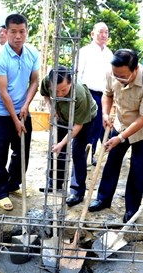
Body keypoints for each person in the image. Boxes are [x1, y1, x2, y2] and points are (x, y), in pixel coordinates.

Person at [88, 49, 143, 223]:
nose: (118, 79)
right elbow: (107, 94)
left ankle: (131, 210)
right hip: (121, 123)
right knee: (112, 161)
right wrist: (105, 114)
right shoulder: (112, 73)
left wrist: (121, 138)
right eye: (116, 75)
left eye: (123, 76)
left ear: (135, 69)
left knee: (138, 169)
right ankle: (103, 199)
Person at [0, 13, 40, 211]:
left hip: (22, 110)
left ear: (27, 32)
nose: (18, 36)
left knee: (22, 150)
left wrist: (26, 105)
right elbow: (3, 92)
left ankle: (13, 184)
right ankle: (1, 192)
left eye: (21, 31)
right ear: (6, 32)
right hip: (2, 112)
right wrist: (15, 118)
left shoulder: (32, 53)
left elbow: (35, 80)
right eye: (13, 32)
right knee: (0, 152)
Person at [39, 66, 98, 207]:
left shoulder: (79, 94)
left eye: (64, 90)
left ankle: (77, 192)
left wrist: (63, 143)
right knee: (56, 149)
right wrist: (51, 107)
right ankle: (55, 182)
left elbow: (77, 125)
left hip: (85, 120)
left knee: (77, 152)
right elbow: (45, 95)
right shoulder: (48, 80)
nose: (59, 94)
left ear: (71, 83)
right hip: (61, 116)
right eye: (56, 91)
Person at [77, 22, 113, 166]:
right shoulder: (84, 51)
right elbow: (78, 75)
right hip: (86, 94)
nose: (103, 35)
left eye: (106, 32)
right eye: (100, 32)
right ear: (92, 34)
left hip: (103, 95)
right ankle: (81, 156)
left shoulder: (109, 53)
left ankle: (90, 155)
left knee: (98, 127)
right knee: (85, 127)